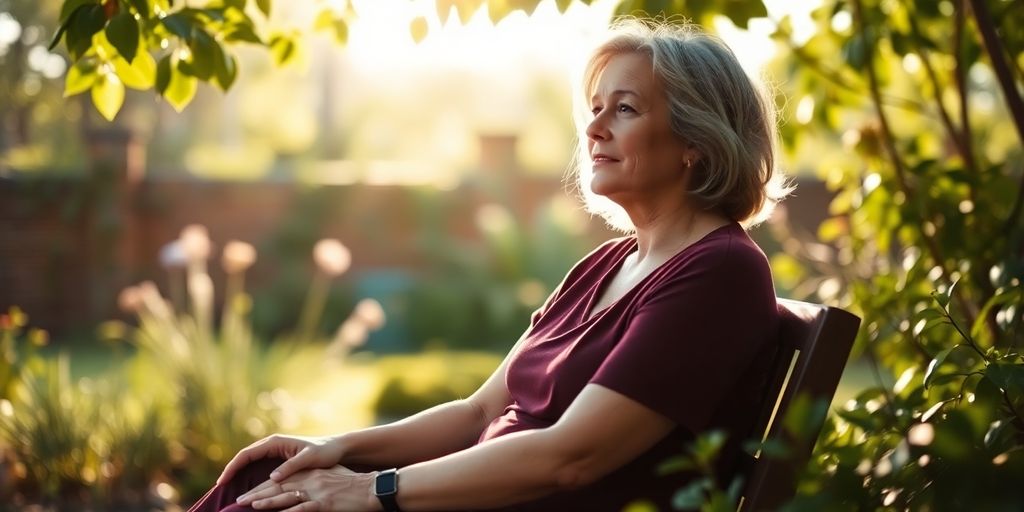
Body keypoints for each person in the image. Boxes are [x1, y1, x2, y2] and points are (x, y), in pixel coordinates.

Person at [188, 18, 789, 512]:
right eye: (595, 108)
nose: (594, 128)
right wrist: (335, 447)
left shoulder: (720, 273)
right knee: (274, 473)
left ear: (696, 141)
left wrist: (372, 490)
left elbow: (570, 459)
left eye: (625, 109)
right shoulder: (605, 265)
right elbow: (477, 411)